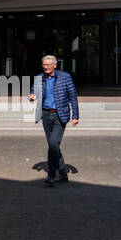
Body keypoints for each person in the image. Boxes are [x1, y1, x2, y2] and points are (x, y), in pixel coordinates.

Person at [29, 55, 79, 184]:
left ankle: (51, 175)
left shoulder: (65, 77)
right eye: (44, 65)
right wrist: (32, 95)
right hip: (46, 115)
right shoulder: (40, 77)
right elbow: (34, 89)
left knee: (52, 144)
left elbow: (73, 96)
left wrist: (75, 116)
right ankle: (63, 173)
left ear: (55, 65)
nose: (45, 67)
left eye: (48, 65)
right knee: (54, 145)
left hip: (60, 115)